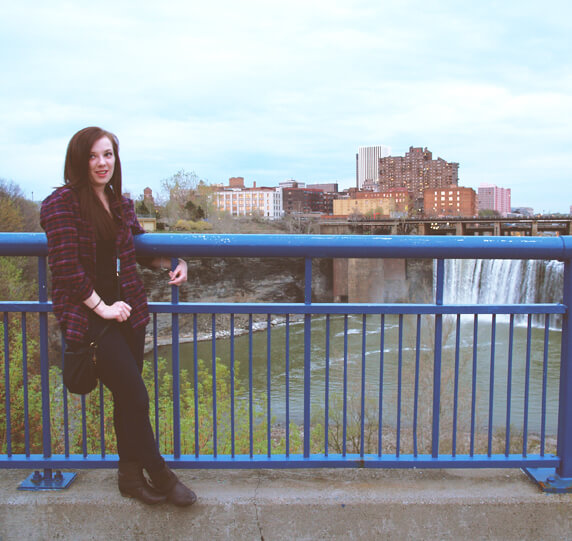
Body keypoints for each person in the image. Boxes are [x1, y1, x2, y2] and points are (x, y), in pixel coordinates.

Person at [40, 126, 196, 507]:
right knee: (137, 397)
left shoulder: (121, 204)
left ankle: (129, 477)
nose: (101, 163)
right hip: (91, 318)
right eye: (93, 156)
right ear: (78, 160)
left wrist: (174, 261)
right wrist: (101, 307)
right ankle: (160, 473)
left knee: (126, 400)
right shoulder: (60, 204)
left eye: (107, 155)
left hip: (129, 313)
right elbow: (65, 267)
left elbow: (136, 252)